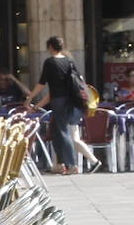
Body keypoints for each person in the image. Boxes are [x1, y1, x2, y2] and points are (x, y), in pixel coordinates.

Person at [23, 35, 100, 175]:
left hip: (59, 101)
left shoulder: (50, 62)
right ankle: (59, 165)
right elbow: (79, 80)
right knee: (57, 132)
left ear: (50, 47)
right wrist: (36, 104)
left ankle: (72, 165)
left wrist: (30, 97)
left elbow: (42, 84)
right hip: (71, 101)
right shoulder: (69, 61)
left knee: (63, 133)